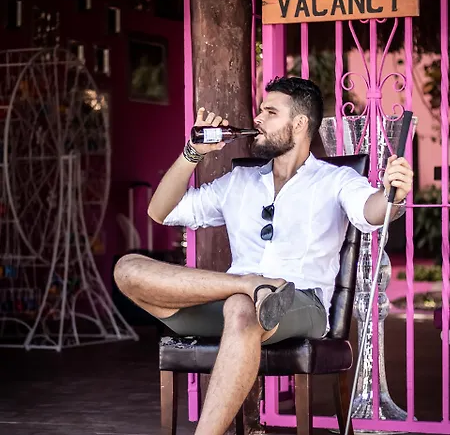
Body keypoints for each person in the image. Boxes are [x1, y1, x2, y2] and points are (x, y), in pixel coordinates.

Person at [114, 77, 413, 435]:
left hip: (301, 302)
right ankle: (249, 284)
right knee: (127, 268)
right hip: (233, 299)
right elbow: (161, 212)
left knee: (241, 308)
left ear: (299, 124)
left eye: (270, 112)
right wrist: (192, 152)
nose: (257, 118)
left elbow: (372, 211)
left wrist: (393, 194)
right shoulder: (239, 181)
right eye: (260, 110)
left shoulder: (335, 181)